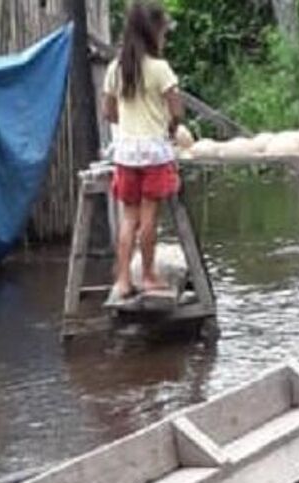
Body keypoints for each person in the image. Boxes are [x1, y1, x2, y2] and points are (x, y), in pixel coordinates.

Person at [102, 1, 184, 301]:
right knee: (149, 218)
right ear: (154, 33)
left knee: (129, 218)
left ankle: (124, 280)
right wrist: (171, 129)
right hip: (154, 153)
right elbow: (176, 111)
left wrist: (128, 125)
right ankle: (148, 275)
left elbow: (108, 111)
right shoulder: (160, 69)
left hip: (126, 153)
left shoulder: (115, 68)